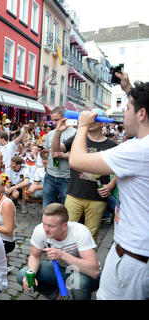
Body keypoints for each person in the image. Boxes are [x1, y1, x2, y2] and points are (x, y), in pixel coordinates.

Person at [69, 72, 149, 300]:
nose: (123, 113)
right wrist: (129, 89)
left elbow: (76, 161)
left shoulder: (138, 149)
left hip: (133, 258)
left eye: (126, 108)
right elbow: (142, 108)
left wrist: (82, 126)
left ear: (141, 114)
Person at [52, 108, 117, 242]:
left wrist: (110, 185)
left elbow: (120, 168)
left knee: (91, 234)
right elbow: (56, 149)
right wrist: (58, 131)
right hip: (74, 194)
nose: (89, 119)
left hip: (97, 198)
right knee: (67, 229)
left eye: (94, 117)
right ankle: (66, 259)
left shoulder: (111, 145)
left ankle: (87, 261)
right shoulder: (78, 139)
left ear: (102, 123)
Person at [16, 203, 100, 300]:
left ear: (64, 226)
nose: (46, 229)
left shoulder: (80, 232)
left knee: (78, 283)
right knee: (23, 274)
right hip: (60, 269)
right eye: (44, 224)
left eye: (51, 226)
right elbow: (34, 256)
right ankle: (55, 295)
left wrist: (63, 255)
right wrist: (31, 274)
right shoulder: (40, 230)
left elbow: (94, 271)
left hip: (83, 272)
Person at [43, 106, 76, 208]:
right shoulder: (50, 134)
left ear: (65, 118)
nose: (54, 123)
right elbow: (45, 156)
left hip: (67, 177)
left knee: (66, 208)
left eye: (56, 120)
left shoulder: (75, 133)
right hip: (50, 175)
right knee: (47, 206)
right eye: (52, 120)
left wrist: (62, 155)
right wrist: (42, 153)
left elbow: (78, 157)